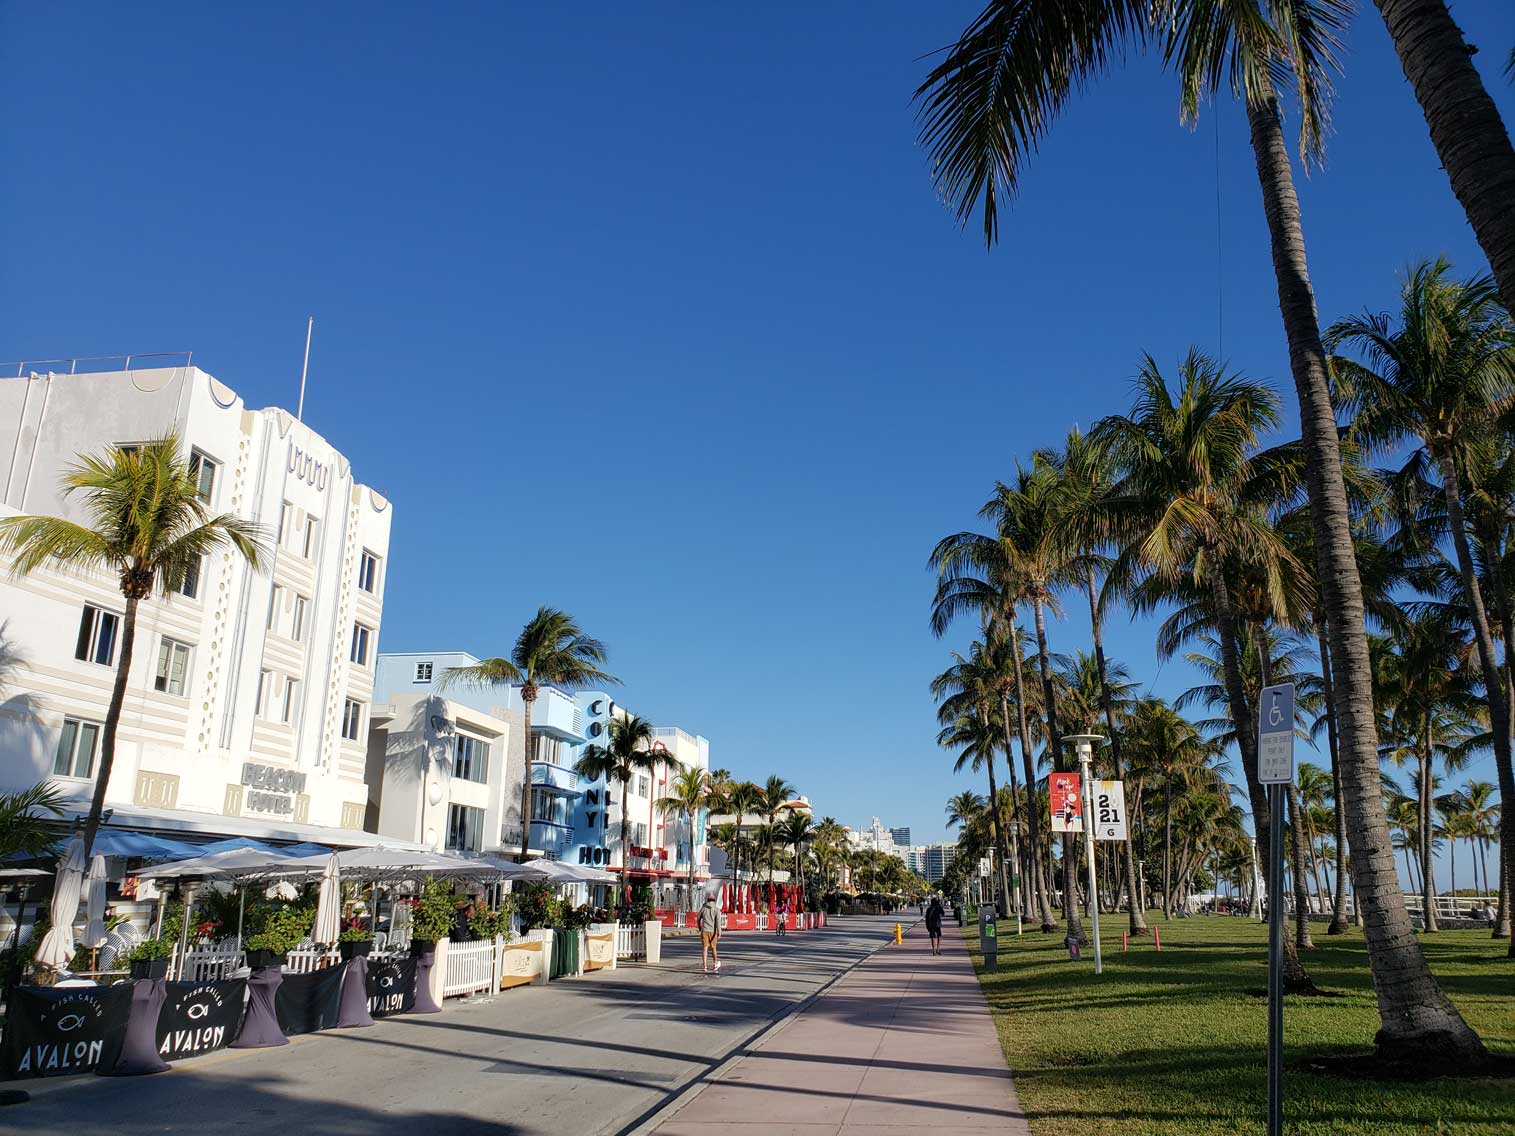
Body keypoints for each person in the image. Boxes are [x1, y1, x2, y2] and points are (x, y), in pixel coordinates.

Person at [698, 893, 722, 973]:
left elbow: (698, 918)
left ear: (707, 900)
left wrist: (699, 927)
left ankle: (705, 966)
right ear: (714, 901)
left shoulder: (703, 908)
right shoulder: (716, 909)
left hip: (704, 930)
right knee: (713, 948)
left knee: (705, 948)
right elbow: (718, 921)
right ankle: (715, 964)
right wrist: (719, 932)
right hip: (713, 931)